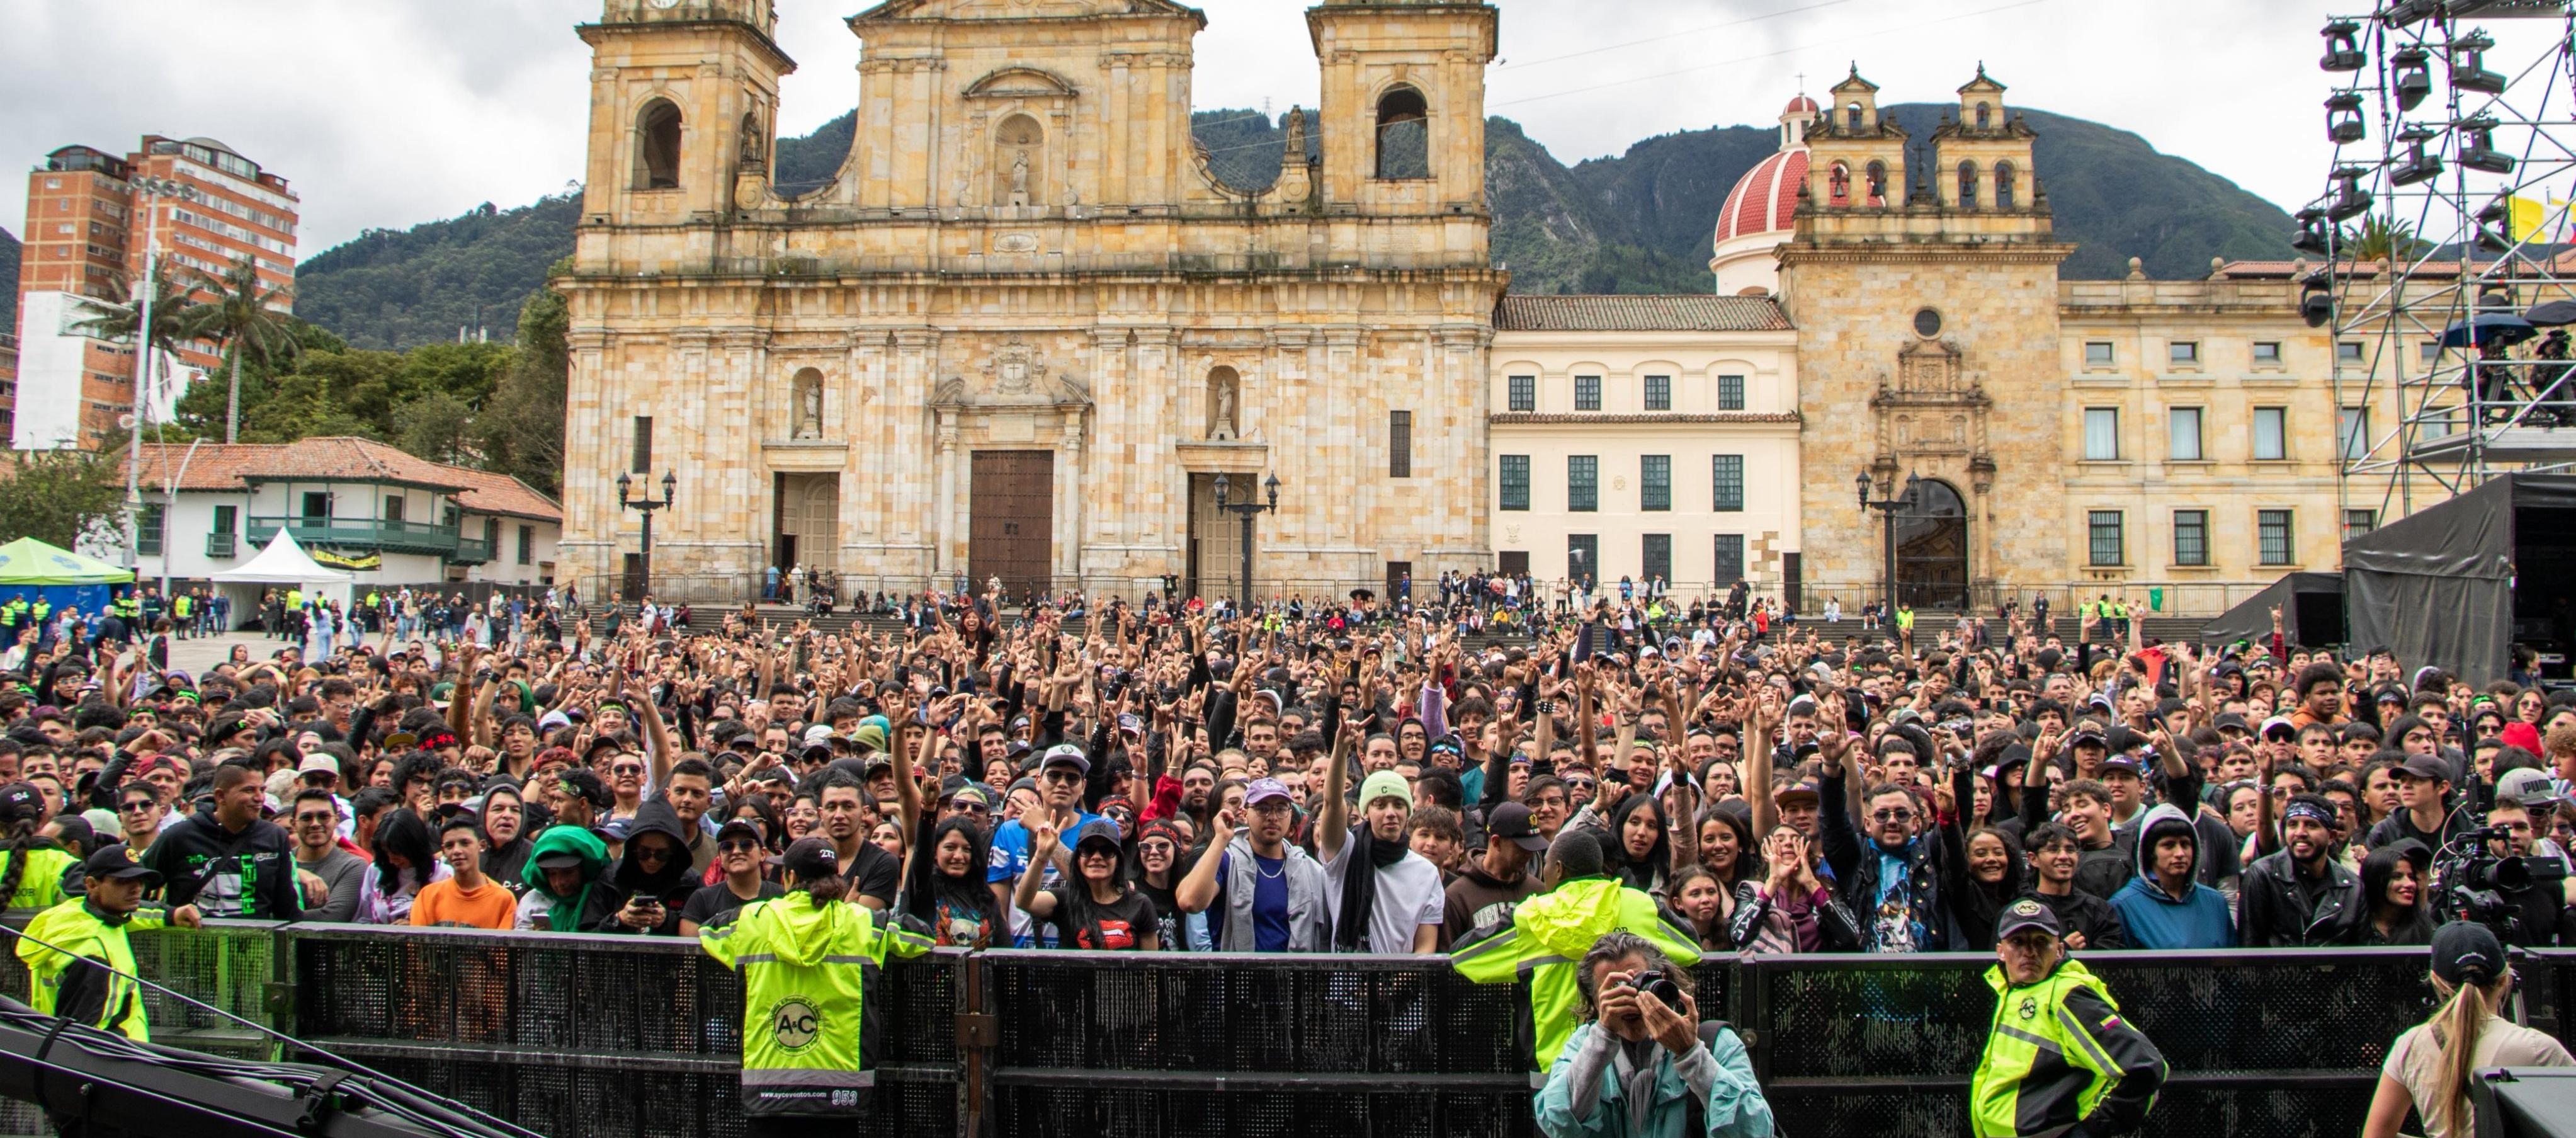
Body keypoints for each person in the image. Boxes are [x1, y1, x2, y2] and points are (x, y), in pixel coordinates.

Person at [698, 837, 933, 1135]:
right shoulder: (864, 922)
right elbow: (922, 937)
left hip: (769, 1089)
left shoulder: (752, 919)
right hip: (839, 1091)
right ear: (837, 879)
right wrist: (852, 912)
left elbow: (708, 931)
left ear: (789, 877)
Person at [1454, 829, 1704, 1084]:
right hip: (1633, 1065)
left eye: (1546, 867)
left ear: (1559, 869)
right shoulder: (1640, 905)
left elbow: (1464, 957)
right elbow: (1692, 949)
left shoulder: (1530, 916)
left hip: (1556, 1072)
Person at [1535, 930, 1774, 1138]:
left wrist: (1691, 1055)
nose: (1629, 998)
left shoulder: (1715, 1043)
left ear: (1663, 983)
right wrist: (1602, 1041)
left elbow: (1756, 1131)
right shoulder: (1583, 1047)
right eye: (1613, 991)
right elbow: (1558, 1126)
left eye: (1638, 984)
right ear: (1595, 1002)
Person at [1969, 899, 2167, 1138]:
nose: (2030, 952)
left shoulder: (2067, 995)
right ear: (2001, 951)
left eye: (2041, 942)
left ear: (2060, 950)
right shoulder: (2011, 989)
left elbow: (2145, 1067)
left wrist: (2092, 1130)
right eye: (2018, 942)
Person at [2361, 921, 2575, 1138]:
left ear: (2435, 980)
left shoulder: (2411, 1044)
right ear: (2504, 979)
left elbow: (2375, 1135)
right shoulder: (2537, 1048)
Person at [16, 846, 205, 1041]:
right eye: (122, 881)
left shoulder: (79, 913)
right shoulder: (91, 952)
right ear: (91, 885)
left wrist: (169, 915)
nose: (136, 889)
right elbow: (85, 1039)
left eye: (140, 880)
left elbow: (133, 915)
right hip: (115, 1059)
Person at [140, 761, 301, 919]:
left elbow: (287, 908)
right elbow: (133, 889)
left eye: (262, 790)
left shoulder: (274, 836)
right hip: (192, 942)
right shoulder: (180, 836)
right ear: (220, 796)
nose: (259, 798)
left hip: (255, 943)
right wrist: (169, 915)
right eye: (249, 790)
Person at [2237, 793, 2363, 947]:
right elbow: (2249, 946)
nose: (2300, 833)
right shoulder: (2263, 874)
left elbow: (2361, 950)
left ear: (2332, 836)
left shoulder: (2352, 886)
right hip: (2278, 969)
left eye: (2311, 825)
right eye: (2293, 824)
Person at [1013, 819, 1157, 950]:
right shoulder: (1066, 899)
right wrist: (1041, 856)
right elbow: (1024, 902)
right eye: (1088, 850)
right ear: (1078, 860)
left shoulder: (1140, 904)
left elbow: (1150, 968)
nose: (1096, 857)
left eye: (1106, 851)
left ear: (1118, 861)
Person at [2108, 804, 2233, 949]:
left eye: (2185, 844)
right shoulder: (2124, 905)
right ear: (2149, 852)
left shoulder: (2215, 902)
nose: (2180, 853)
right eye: (2169, 845)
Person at [1442, 800, 1549, 950]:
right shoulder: (1458, 896)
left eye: (1533, 848)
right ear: (1496, 842)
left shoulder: (1539, 891)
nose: (1529, 855)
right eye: (1522, 848)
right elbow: (1447, 960)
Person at [411, 818, 519, 930]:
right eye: (449, 846)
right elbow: (416, 944)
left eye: (465, 843)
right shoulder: (428, 896)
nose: (457, 851)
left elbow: (504, 946)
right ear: (443, 851)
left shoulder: (503, 899)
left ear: (482, 846)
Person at [683, 818, 783, 936]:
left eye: (746, 845)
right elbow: (689, 950)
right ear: (719, 858)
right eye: (727, 847)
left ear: (763, 854)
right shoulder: (702, 899)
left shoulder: (782, 897)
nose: (736, 851)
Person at [290, 788, 368, 922]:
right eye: (306, 818)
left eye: (324, 817)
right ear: (294, 824)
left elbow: (333, 917)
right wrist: (294, 872)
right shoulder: (281, 860)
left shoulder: (353, 866)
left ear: (337, 820)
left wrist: (277, 917)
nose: (315, 824)